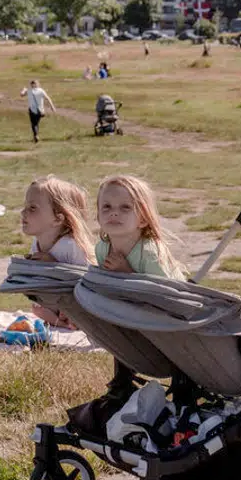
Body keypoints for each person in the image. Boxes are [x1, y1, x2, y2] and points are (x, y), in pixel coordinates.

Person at [86, 175, 187, 411]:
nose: (114, 213)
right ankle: (122, 380)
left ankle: (184, 384)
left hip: (171, 319)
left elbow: (165, 295)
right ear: (98, 215)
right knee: (117, 330)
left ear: (142, 219)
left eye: (125, 208)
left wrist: (127, 272)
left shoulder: (149, 251)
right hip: (132, 312)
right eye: (107, 207)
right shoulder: (102, 248)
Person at [21, 176, 95, 327]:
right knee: (37, 308)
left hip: (84, 304)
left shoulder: (71, 245)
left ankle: (70, 322)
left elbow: (89, 283)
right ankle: (62, 322)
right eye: (25, 206)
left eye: (32, 208)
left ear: (57, 219)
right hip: (59, 304)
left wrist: (54, 266)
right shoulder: (37, 243)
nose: (23, 212)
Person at [21, 79, 56, 143]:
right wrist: (52, 107)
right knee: (36, 123)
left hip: (32, 110)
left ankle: (36, 136)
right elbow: (48, 98)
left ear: (31, 84)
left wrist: (23, 90)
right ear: (37, 84)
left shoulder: (28, 90)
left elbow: (21, 95)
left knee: (33, 124)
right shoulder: (41, 90)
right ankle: (36, 136)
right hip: (40, 110)